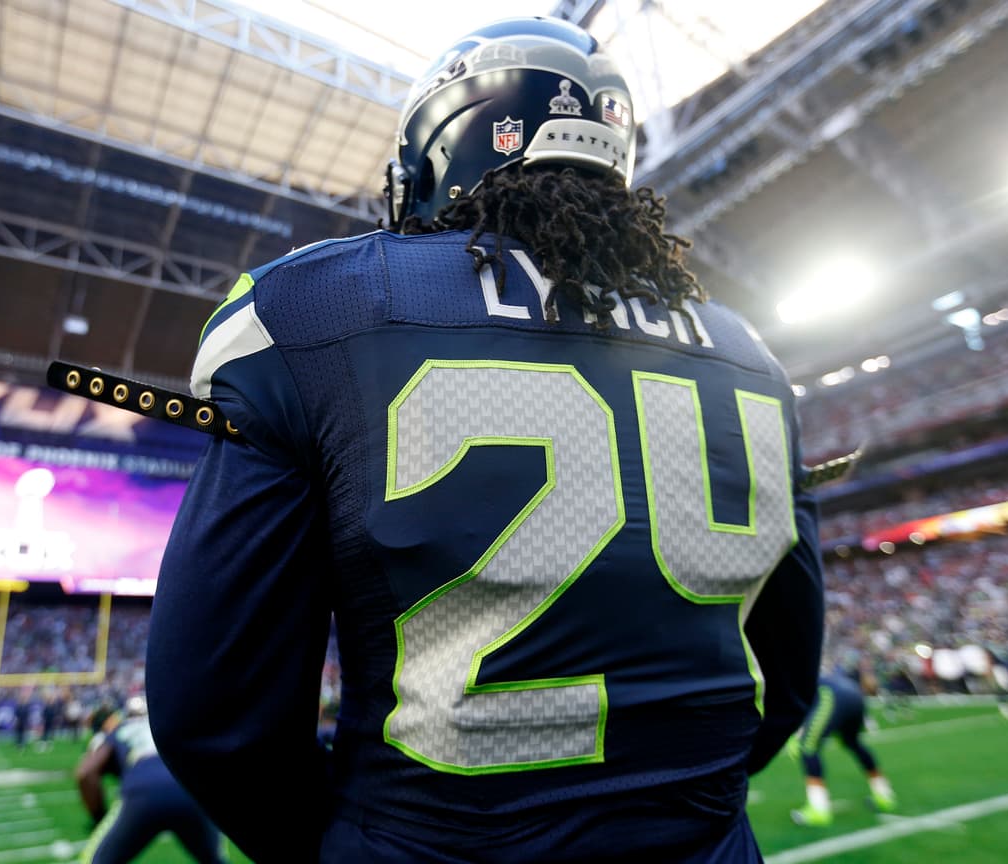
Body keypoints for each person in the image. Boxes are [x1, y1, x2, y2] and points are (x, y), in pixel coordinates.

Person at [146, 15, 822, 863]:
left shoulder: (315, 308)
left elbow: (211, 716)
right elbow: (788, 677)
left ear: (437, 156)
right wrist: (690, 806)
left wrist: (360, 841)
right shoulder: (750, 356)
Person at [75, 696, 226, 864]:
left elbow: (86, 773)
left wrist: (99, 817)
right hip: (186, 789)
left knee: (94, 861)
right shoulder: (166, 724)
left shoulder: (120, 729)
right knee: (214, 860)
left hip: (142, 791)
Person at [789, 668, 896, 826]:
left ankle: (819, 809)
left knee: (808, 747)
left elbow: (795, 708)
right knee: (853, 742)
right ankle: (884, 794)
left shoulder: (793, 682)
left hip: (832, 696)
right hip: (855, 694)